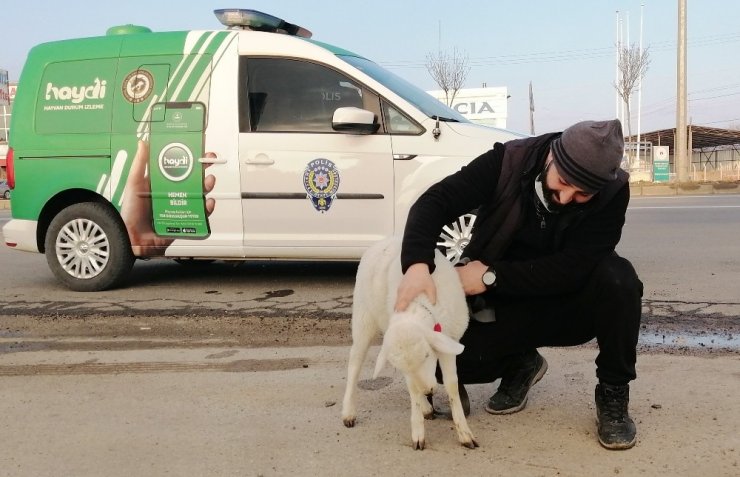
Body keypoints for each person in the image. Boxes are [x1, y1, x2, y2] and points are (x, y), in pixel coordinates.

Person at [394, 119, 643, 450]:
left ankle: (613, 393)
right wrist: (416, 265)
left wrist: (489, 275)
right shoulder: (507, 162)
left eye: (583, 193)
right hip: (503, 302)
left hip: (564, 302)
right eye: (564, 182)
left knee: (619, 279)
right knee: (438, 358)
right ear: (552, 157)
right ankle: (521, 363)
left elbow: (573, 268)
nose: (566, 197)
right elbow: (434, 202)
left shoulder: (613, 192)